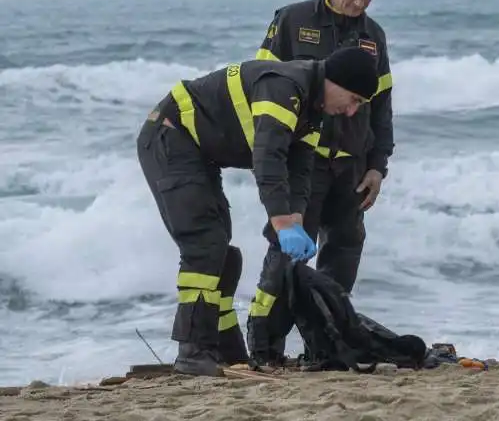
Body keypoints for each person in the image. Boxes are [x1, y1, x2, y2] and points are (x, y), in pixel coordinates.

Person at [136, 46, 379, 376]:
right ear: (335, 80)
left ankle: (224, 348)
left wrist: (297, 220)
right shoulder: (284, 87)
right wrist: (281, 224)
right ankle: (192, 350)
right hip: (169, 135)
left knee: (223, 250)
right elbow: (268, 159)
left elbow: (300, 171)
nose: (351, 111)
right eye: (353, 100)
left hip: (198, 153)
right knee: (204, 244)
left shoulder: (313, 109)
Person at [248, 0, 394, 366]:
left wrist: (377, 165)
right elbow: (261, 82)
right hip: (302, 161)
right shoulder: (293, 20)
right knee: (289, 253)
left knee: (344, 253)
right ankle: (266, 348)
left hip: (352, 162)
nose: (358, 3)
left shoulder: (373, 36)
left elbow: (381, 105)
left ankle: (325, 345)